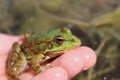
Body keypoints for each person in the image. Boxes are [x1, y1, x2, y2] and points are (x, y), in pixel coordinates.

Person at [0, 33, 96, 80]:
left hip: (33, 38)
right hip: (24, 51)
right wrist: (41, 70)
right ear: (50, 44)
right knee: (13, 72)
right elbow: (34, 62)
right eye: (59, 41)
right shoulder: (41, 54)